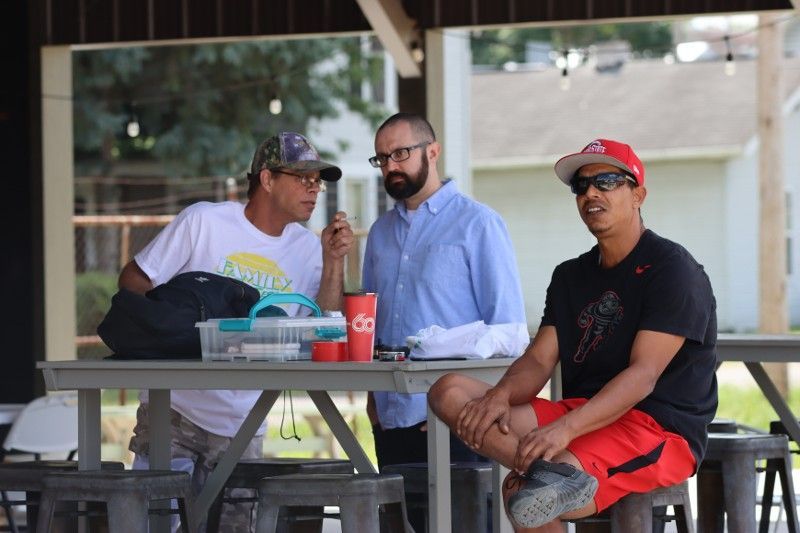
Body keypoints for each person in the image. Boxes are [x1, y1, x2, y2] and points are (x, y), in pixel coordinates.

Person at [428, 138, 718, 531]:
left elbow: (643, 376)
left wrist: (565, 429)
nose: (591, 193)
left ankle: (551, 479)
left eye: (606, 181)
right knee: (449, 391)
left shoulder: (672, 269)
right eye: (581, 186)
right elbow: (538, 360)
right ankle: (556, 477)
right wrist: (500, 396)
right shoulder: (570, 276)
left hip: (657, 427)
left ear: (638, 195)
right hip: (583, 411)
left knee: (523, 492)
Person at [119, 132, 354, 532]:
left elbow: (325, 331)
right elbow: (133, 282)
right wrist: (174, 327)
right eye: (302, 178)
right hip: (174, 410)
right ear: (267, 179)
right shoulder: (204, 222)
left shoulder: (309, 248)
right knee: (160, 526)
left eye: (318, 181)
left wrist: (333, 262)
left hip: (245, 423)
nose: (314, 189)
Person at [362, 112, 528, 472]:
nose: (391, 166)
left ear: (433, 152)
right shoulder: (379, 233)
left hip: (459, 421)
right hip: (391, 418)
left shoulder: (478, 223)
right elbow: (370, 324)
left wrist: (463, 408)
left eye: (401, 153)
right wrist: (374, 405)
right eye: (382, 158)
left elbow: (509, 334)